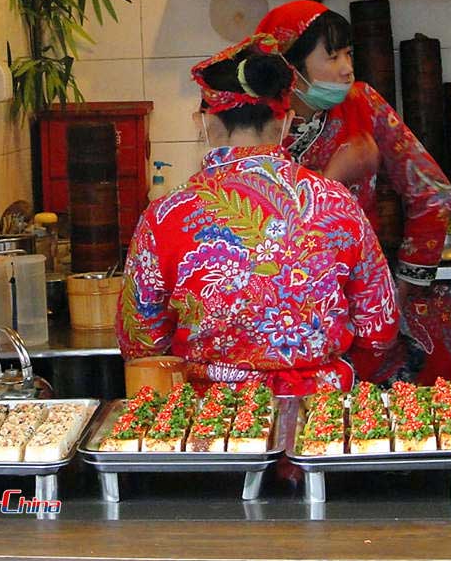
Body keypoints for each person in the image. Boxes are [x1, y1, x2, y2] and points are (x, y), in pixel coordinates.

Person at [116, 33, 399, 395]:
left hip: (211, 423)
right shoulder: (335, 200)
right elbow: (380, 328)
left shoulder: (166, 214)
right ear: (287, 123)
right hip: (320, 418)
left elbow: (139, 342)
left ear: (204, 123)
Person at [255, 0, 451, 383]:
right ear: (287, 66)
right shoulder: (256, 123)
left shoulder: (362, 104)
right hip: (274, 322)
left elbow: (433, 191)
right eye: (331, 57)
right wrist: (335, 176)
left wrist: (402, 286)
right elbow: (252, 224)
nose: (346, 68)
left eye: (348, 54)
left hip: (360, 308)